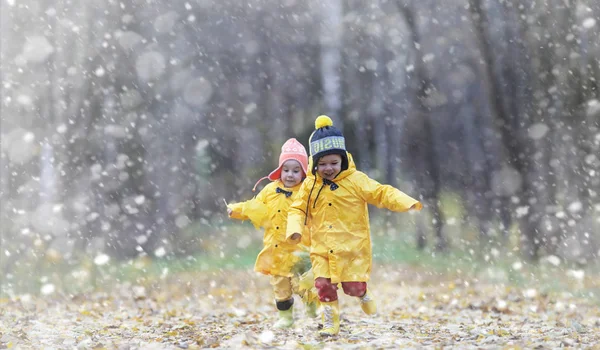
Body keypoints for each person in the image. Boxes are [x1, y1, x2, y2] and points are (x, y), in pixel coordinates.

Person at [286, 115, 423, 336]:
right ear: (314, 163)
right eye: (322, 164)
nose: (328, 168)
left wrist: (405, 202)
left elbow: (381, 193)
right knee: (323, 285)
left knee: (352, 287)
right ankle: (331, 323)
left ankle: (362, 293)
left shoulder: (356, 180)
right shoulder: (310, 185)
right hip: (322, 248)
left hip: (352, 249)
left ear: (343, 160)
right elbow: (298, 209)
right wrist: (294, 229)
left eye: (333, 163)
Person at [227, 138, 318, 329]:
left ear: (304, 172)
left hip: (300, 248)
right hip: (276, 250)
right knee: (281, 287)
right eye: (286, 170)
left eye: (296, 170)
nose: (290, 175)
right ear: (280, 170)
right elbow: (255, 207)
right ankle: (285, 317)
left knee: (303, 283)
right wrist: (236, 210)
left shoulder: (307, 191)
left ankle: (311, 305)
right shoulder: (270, 190)